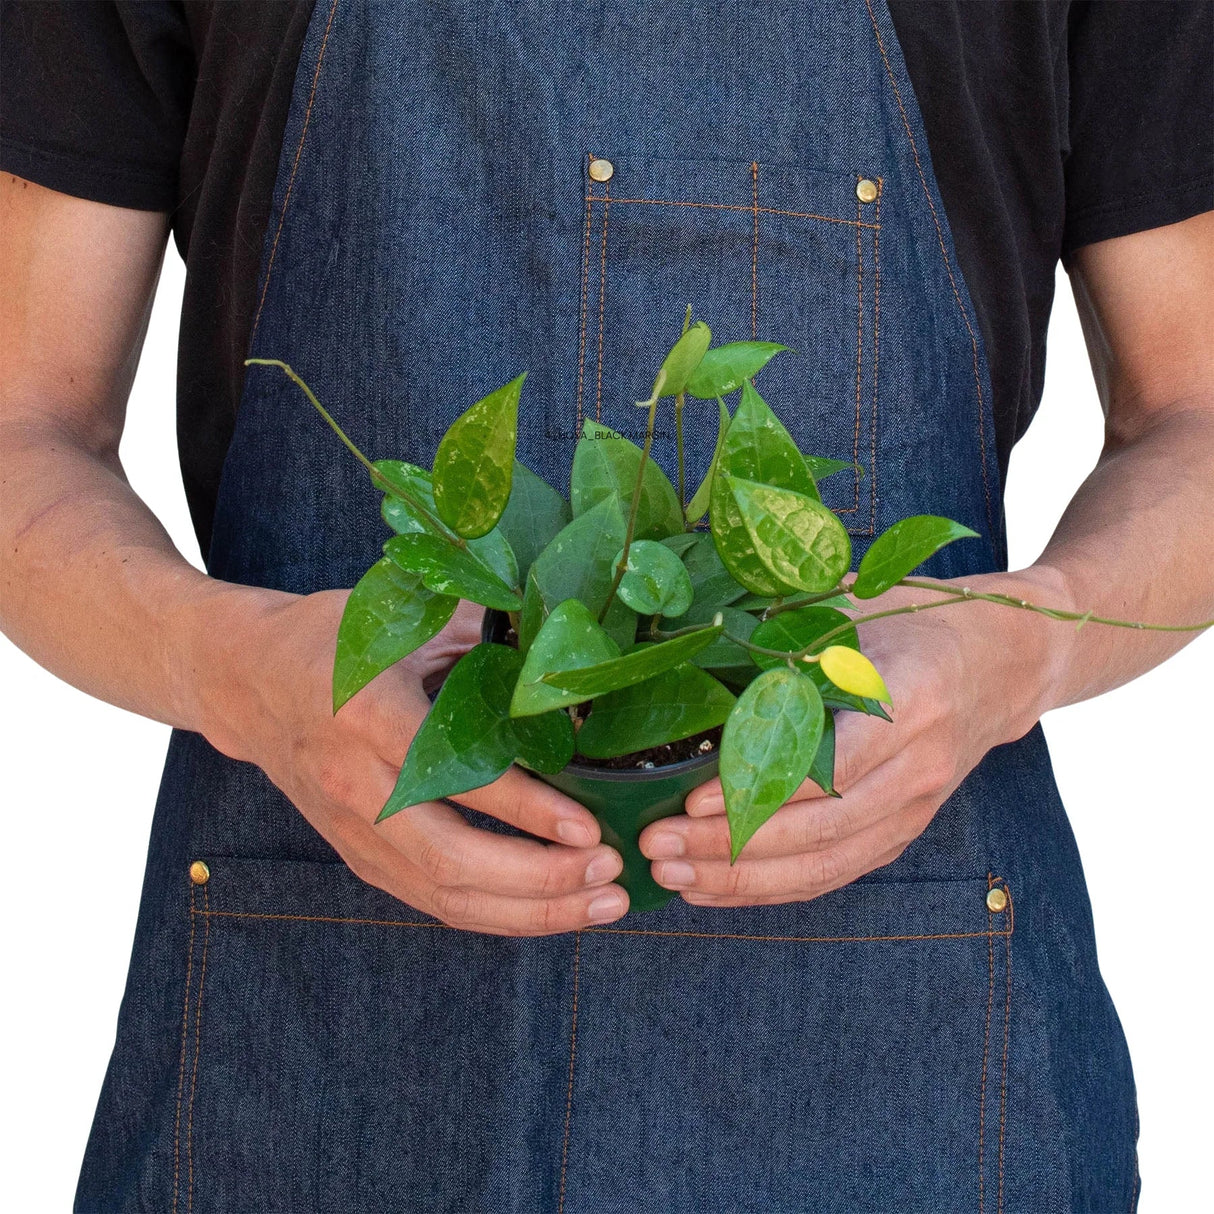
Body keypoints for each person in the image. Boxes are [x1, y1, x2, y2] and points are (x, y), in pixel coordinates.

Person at [1, 1, 1211, 1210]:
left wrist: (1020, 648)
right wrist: (240, 667)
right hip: (314, 1029)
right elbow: (25, 422)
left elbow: (1192, 411)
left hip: (909, 1037)